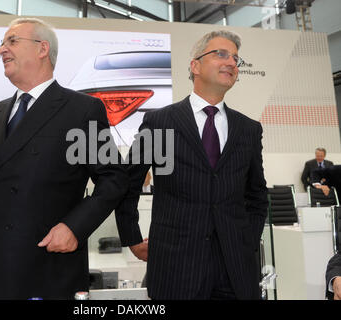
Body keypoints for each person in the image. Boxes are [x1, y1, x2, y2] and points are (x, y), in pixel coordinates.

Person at [0, 18, 128, 300]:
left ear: (42, 49)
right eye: (2, 43)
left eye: (12, 41)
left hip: (46, 266)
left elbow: (113, 179)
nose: (1, 50)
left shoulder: (82, 110)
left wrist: (74, 227)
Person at [115, 30, 268, 299]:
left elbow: (256, 195)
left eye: (236, 58)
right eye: (221, 54)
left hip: (235, 270)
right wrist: (132, 237)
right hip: (176, 267)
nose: (232, 62)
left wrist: (246, 241)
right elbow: (129, 184)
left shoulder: (249, 129)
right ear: (195, 65)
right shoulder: (159, 122)